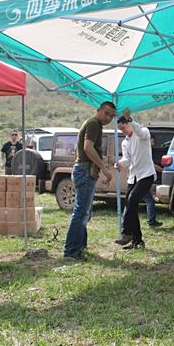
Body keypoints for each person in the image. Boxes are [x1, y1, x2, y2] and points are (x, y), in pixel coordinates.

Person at [63, 101, 116, 261]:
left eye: (112, 115)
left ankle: (80, 246)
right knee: (81, 212)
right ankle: (71, 251)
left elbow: (80, 149)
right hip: (85, 170)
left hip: (84, 170)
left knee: (85, 212)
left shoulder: (94, 124)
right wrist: (104, 169)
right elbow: (87, 148)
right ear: (98, 110)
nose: (108, 117)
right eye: (106, 113)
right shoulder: (93, 123)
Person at [114, 110, 157, 249]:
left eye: (124, 127)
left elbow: (139, 131)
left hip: (146, 175)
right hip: (133, 177)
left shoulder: (143, 133)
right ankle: (137, 240)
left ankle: (127, 233)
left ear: (129, 123)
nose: (123, 131)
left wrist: (131, 119)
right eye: (120, 129)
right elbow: (127, 160)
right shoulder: (125, 142)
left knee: (132, 200)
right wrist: (120, 163)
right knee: (131, 207)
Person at [143, 135, 163, 228]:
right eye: (152, 140)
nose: (154, 142)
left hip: (141, 177)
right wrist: (164, 171)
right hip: (143, 177)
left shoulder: (147, 150)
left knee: (132, 200)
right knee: (149, 200)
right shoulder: (146, 151)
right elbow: (152, 165)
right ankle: (151, 221)